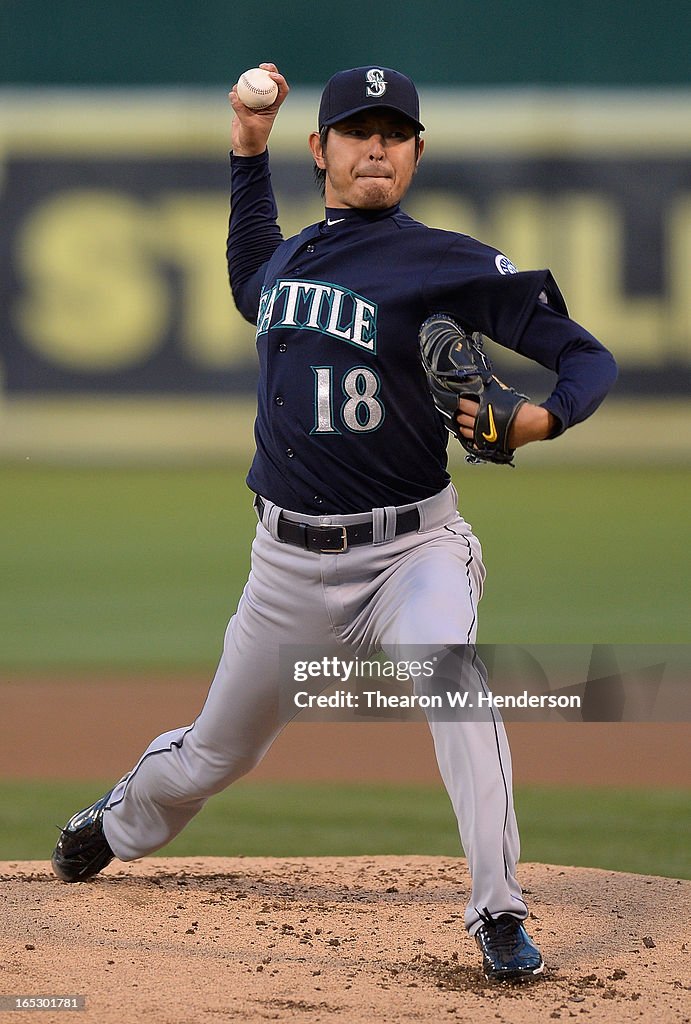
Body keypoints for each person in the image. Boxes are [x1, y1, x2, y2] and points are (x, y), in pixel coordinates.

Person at [51, 64, 617, 983]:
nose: (377, 147)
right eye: (359, 131)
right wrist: (243, 150)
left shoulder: (447, 261)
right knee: (209, 759)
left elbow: (584, 356)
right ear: (320, 150)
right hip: (285, 566)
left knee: (455, 685)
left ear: (418, 153)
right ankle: (119, 821)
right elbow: (248, 276)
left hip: (411, 551)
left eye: (395, 133)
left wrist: (542, 416)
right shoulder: (291, 259)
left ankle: (498, 910)